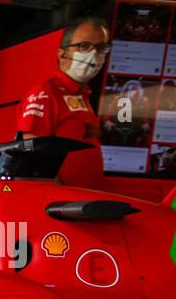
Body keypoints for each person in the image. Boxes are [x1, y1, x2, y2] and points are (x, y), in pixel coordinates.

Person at [14, 16, 110, 189]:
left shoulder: (83, 96)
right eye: (84, 46)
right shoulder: (46, 93)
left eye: (101, 47)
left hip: (86, 202)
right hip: (63, 206)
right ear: (62, 54)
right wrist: (60, 196)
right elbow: (32, 153)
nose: (93, 53)